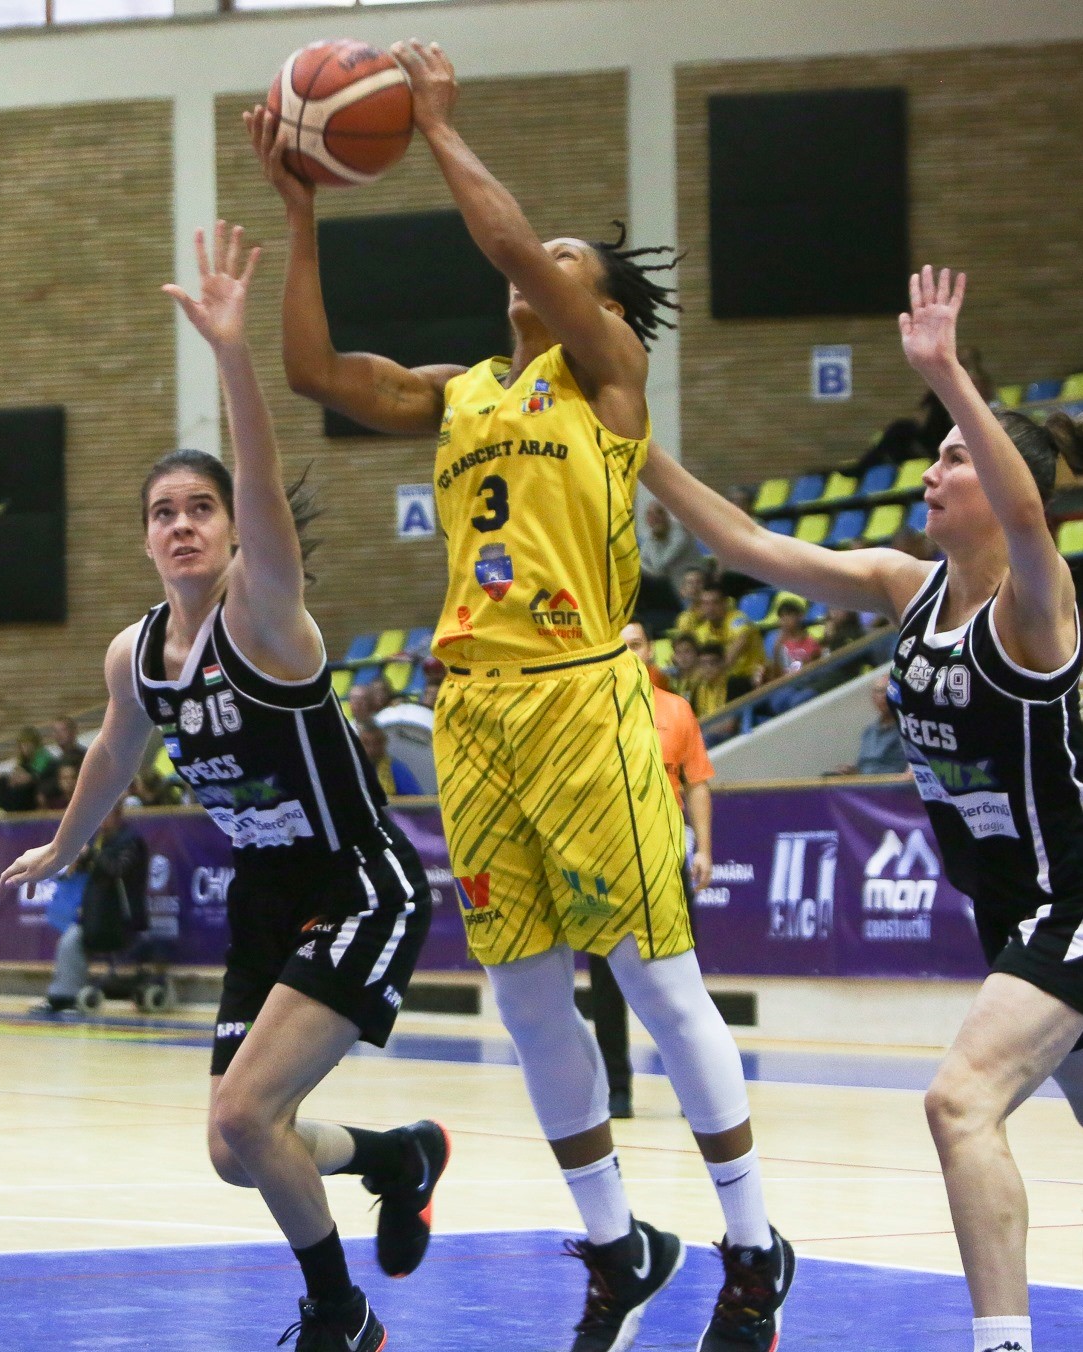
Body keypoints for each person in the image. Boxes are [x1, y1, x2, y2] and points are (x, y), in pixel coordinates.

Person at [251, 44, 789, 1351]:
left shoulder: (605, 379)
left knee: (655, 983)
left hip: (581, 696)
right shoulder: (459, 397)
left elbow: (505, 245)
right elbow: (316, 373)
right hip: (475, 714)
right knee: (531, 999)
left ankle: (752, 1246)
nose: (530, 265)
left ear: (591, 300)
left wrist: (435, 128)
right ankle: (615, 1246)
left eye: (559, 260)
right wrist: (303, 210)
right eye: (535, 254)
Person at [2, 223, 442, 1352]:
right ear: (145, 541)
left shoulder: (266, 616)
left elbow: (259, 500)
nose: (182, 525)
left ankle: (340, 1316)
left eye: (200, 508)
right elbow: (113, 754)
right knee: (233, 1145)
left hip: (357, 884)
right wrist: (63, 844)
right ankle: (396, 1156)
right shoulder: (134, 654)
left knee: (248, 1113)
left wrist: (234, 353)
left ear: (233, 529)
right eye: (163, 513)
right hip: (267, 897)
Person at [643, 266, 1083, 1352]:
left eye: (953, 458)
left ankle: (1001, 1343)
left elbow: (1030, 514)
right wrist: (631, 444)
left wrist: (946, 373)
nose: (931, 471)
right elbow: (750, 547)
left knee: (958, 1101)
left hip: (1073, 894)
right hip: (1012, 909)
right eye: (936, 454)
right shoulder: (902, 586)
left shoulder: (1035, 608)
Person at [594, 624, 720, 1117]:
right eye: (620, 647)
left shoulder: (677, 710)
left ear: (650, 651)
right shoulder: (586, 714)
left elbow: (698, 783)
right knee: (606, 986)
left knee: (682, 980)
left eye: (637, 645)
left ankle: (695, 1088)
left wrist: (703, 849)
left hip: (666, 860)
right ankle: (617, 1090)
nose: (630, 654)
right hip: (604, 862)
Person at [36, 800, 150, 1014]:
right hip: (96, 919)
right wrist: (80, 860)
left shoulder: (131, 842)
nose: (101, 821)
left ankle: (66, 996)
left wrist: (92, 855)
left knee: (72, 939)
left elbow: (117, 870)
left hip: (121, 921)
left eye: (106, 815)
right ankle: (61, 997)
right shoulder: (100, 842)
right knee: (69, 941)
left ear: (118, 814)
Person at [689, 589, 766, 700]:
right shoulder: (701, 632)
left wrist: (713, 671)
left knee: (731, 685)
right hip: (722, 680)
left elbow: (739, 644)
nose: (710, 608)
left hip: (750, 676)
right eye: (705, 603)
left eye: (715, 603)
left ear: (725, 603)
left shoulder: (738, 619)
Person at [834, 671, 909, 777]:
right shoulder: (869, 731)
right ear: (873, 697)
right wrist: (852, 771)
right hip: (863, 784)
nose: (883, 696)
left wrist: (860, 775)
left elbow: (899, 770)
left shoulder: (907, 729)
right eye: (879, 691)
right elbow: (864, 764)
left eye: (888, 690)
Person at [355, 720, 422, 797]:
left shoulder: (396, 768)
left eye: (377, 743)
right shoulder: (352, 767)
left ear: (384, 743)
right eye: (366, 743)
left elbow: (416, 799)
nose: (372, 748)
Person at [769, 596, 823, 678]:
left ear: (800, 616)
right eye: (782, 617)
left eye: (788, 615)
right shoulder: (779, 646)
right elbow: (776, 675)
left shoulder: (812, 639)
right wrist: (776, 650)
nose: (785, 620)